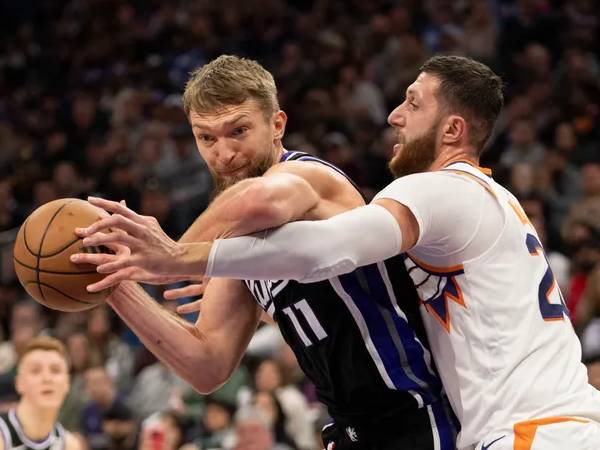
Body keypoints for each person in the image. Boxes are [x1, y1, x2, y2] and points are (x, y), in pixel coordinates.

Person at [75, 55, 600, 450]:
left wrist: (175, 251)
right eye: (205, 138)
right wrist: (114, 281)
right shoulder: (234, 240)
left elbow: (269, 208)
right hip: (354, 428)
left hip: (415, 417)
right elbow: (208, 363)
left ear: (277, 124)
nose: (224, 152)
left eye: (238, 131)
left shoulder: (309, 176)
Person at [0, 336, 82, 450]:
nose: (47, 378)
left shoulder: (70, 445)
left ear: (67, 383)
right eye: (35, 370)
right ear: (19, 383)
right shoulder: (2, 436)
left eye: (55, 370)